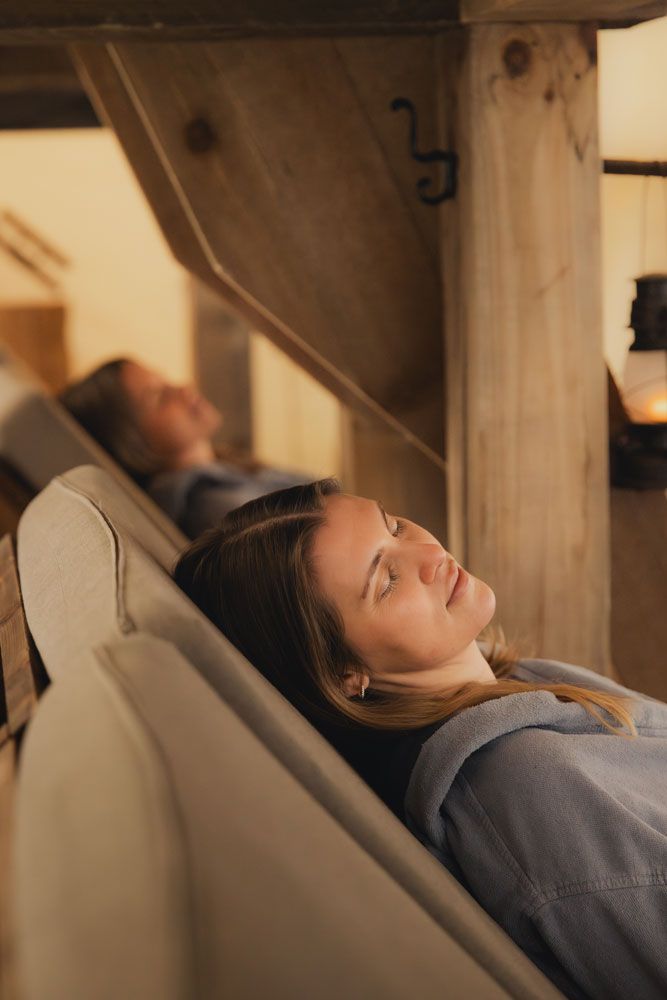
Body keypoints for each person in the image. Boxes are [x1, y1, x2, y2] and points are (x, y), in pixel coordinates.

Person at [174, 478, 667, 1000]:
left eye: (395, 526)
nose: (430, 554)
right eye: (385, 580)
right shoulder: (525, 783)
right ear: (343, 671)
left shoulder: (522, 678)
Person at [59, 358, 305, 537]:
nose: (185, 388)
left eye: (166, 381)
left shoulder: (228, 469)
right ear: (131, 444)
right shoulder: (218, 508)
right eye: (160, 397)